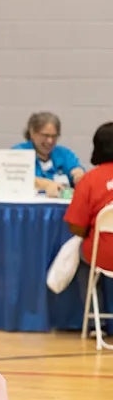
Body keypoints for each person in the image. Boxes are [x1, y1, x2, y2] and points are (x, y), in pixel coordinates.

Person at [64, 123, 113, 313]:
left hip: (103, 254)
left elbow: (75, 226)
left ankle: (93, 321)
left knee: (85, 262)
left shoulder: (89, 180)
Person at [13, 112, 85, 197]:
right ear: (32, 133)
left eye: (54, 136)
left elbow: (78, 173)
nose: (50, 141)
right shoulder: (18, 153)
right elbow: (15, 180)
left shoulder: (64, 154)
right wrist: (45, 184)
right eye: (45, 136)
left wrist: (79, 175)